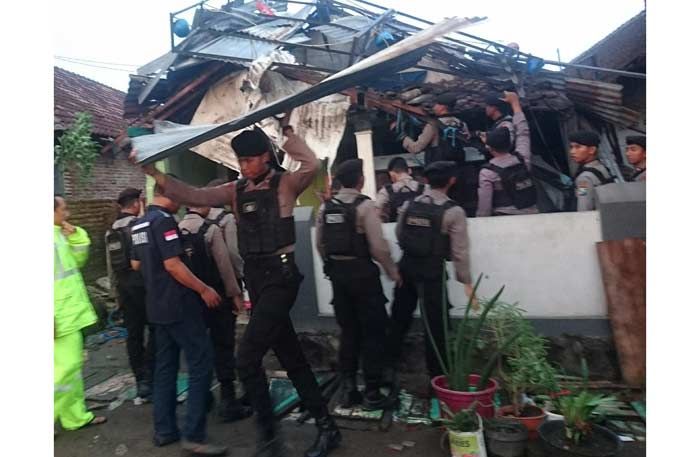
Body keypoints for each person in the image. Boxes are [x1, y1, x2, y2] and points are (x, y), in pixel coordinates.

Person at [134, 124, 341, 457]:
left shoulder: (286, 183)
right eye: (239, 160)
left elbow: (312, 166)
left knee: (246, 358)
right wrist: (155, 174)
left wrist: (287, 133)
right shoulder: (235, 190)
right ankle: (327, 428)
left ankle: (270, 440)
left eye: (248, 160)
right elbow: (195, 196)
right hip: (257, 280)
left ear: (265, 157)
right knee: (291, 357)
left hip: (281, 277)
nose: (243, 166)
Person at [130, 181, 226, 456]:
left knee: (165, 369)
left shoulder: (138, 224)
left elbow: (135, 264)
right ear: (167, 194)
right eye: (178, 194)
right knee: (201, 363)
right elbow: (173, 264)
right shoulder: (163, 222)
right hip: (179, 305)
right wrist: (204, 288)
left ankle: (164, 430)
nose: (182, 199)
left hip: (156, 307)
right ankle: (194, 435)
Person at [316, 159, 401, 410]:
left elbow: (320, 244)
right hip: (363, 274)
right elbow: (378, 247)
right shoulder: (365, 206)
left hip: (338, 277)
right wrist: (393, 272)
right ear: (360, 180)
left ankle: (349, 389)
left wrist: (332, 266)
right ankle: (372, 392)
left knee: (349, 332)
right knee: (373, 332)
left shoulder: (326, 208)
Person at [386, 161, 473, 390]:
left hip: (407, 268)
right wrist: (466, 281)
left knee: (398, 319)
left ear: (425, 180)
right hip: (432, 272)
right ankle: (438, 380)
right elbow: (459, 251)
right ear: (452, 181)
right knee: (436, 327)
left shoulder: (409, 204)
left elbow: (399, 232)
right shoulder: (453, 211)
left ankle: (387, 368)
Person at [178, 205, 253, 422]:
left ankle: (203, 398)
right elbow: (225, 266)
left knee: (199, 350)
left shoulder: (176, 229)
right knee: (223, 346)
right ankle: (228, 401)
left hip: (192, 300)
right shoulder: (211, 230)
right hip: (216, 297)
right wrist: (235, 294)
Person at [54, 195, 107, 432]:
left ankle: (74, 416)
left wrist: (75, 233)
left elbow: (79, 259)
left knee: (71, 370)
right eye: (64, 209)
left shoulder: (57, 235)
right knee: (66, 367)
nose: (68, 214)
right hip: (58, 316)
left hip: (67, 313)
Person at [106, 188, 154, 400]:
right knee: (156, 330)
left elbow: (110, 268)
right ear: (136, 204)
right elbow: (148, 258)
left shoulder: (110, 232)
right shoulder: (139, 226)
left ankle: (140, 380)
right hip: (145, 287)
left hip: (124, 290)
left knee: (133, 335)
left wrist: (115, 294)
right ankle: (152, 373)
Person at [477, 92, 538, 217]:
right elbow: (523, 132)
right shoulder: (523, 158)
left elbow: (484, 206)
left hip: (504, 217)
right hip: (532, 214)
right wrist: (515, 103)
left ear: (489, 147)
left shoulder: (487, 172)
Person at [400, 92, 470, 165]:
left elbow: (416, 148)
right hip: (457, 168)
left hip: (438, 169)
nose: (434, 107)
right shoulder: (461, 123)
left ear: (442, 107)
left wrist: (404, 138)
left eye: (436, 104)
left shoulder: (433, 125)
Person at [205, 178, 245, 284]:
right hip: (227, 275)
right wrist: (241, 274)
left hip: (207, 273)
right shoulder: (228, 218)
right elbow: (233, 251)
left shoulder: (201, 217)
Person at [569, 130, 614, 211]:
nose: (572, 152)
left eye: (577, 147)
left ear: (591, 150)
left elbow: (583, 207)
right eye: (571, 147)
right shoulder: (602, 168)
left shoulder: (584, 179)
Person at [375, 156, 426, 223]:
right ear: (409, 171)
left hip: (395, 230)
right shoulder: (425, 188)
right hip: (421, 230)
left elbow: (376, 212)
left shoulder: (386, 190)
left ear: (391, 174)